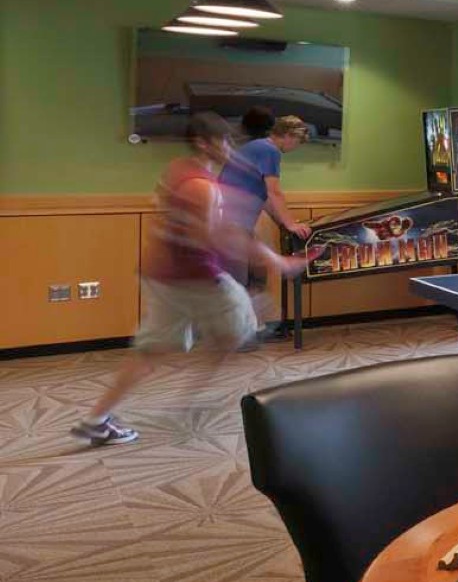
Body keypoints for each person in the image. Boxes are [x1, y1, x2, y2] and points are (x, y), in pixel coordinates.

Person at [69, 113, 315, 447]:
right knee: (243, 328)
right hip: (197, 279)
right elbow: (219, 237)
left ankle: (95, 420)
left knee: (149, 351)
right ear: (203, 143)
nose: (230, 148)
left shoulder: (178, 170)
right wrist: (278, 262)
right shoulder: (203, 187)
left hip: (161, 275)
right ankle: (194, 392)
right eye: (223, 141)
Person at [218, 110, 311, 334]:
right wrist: (290, 224)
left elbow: (266, 198)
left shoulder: (258, 148)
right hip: (230, 223)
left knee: (257, 273)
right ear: (288, 135)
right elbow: (275, 191)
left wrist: (283, 221)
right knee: (240, 279)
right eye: (297, 142)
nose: (295, 147)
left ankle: (249, 326)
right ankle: (236, 332)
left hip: (237, 224)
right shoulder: (269, 150)